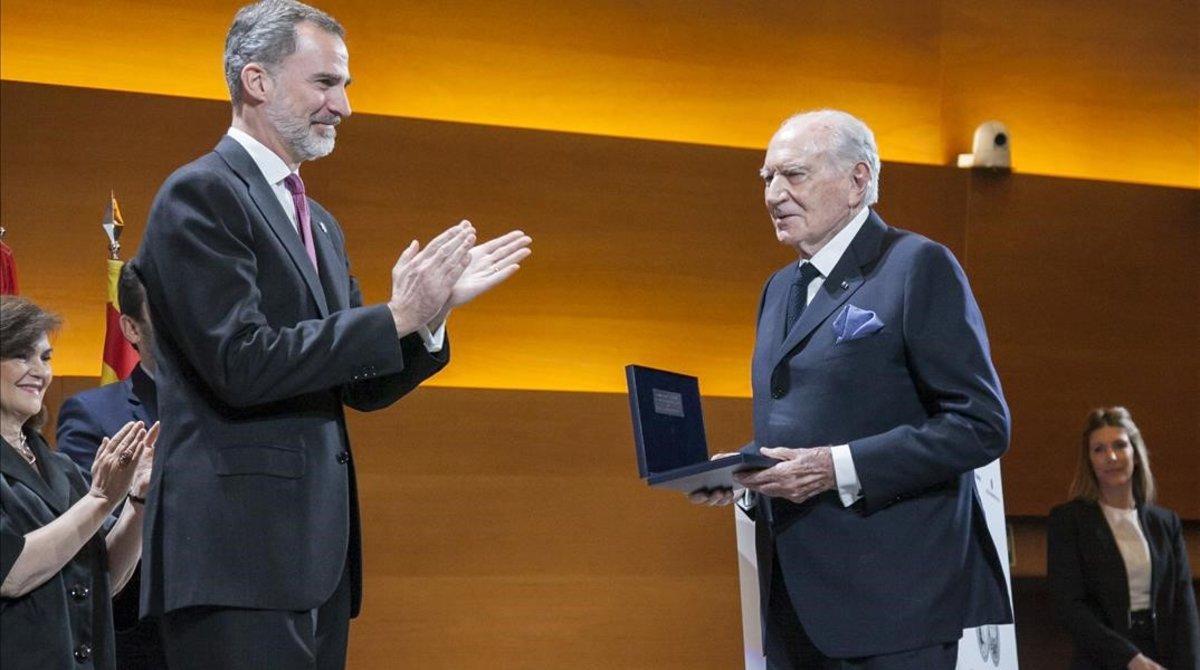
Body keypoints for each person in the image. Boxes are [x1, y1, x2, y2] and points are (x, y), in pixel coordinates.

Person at [134, 1, 532, 667]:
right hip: (236, 561)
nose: (343, 106)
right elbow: (240, 362)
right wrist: (395, 316)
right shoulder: (199, 194)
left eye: (344, 86)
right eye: (325, 83)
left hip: (314, 562)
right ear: (256, 81)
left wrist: (428, 320)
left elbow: (360, 386)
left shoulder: (317, 221)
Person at [689, 110, 1012, 668]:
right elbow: (809, 419)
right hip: (792, 599)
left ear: (858, 181)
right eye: (766, 178)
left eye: (793, 175)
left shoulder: (918, 266)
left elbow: (981, 424)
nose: (773, 194)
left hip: (895, 604)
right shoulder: (779, 287)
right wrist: (745, 471)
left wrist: (834, 467)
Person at [0, 296, 159, 669]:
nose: (39, 371)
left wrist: (137, 501)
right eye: (22, 356)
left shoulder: (61, 467)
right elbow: (10, 574)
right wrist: (101, 499)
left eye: (46, 357)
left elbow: (108, 579)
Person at [57, 263, 166, 669]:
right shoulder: (92, 413)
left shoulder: (228, 406)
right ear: (131, 329)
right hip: (142, 639)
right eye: (163, 310)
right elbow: (87, 538)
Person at [1047, 407, 1200, 670]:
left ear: (1136, 454)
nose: (1112, 456)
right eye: (1099, 449)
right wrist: (1129, 659)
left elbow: (1183, 607)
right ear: (1089, 461)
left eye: (1120, 445)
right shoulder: (1069, 520)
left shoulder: (1165, 523)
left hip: (1161, 657)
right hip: (1102, 658)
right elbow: (1069, 606)